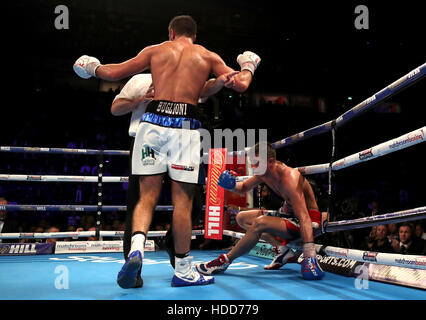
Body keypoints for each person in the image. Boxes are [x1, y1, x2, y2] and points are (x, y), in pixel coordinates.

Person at [74, 15, 260, 288]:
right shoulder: (207, 56)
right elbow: (241, 84)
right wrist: (248, 66)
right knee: (182, 203)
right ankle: (183, 269)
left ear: (171, 33)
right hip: (185, 128)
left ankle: (137, 247)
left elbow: (113, 73)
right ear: (194, 35)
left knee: (145, 197)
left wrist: (91, 66)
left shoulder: (156, 50)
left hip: (151, 124)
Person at [196, 142, 326, 280]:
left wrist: (309, 254)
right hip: (288, 215)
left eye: (256, 164)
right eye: (252, 163)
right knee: (242, 218)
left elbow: (304, 217)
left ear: (270, 162)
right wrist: (231, 185)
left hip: (306, 220)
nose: (253, 168)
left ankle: (225, 261)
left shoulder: (290, 178)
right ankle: (282, 251)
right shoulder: (263, 172)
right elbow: (243, 188)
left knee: (259, 223)